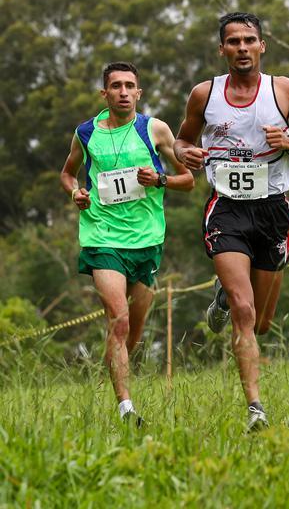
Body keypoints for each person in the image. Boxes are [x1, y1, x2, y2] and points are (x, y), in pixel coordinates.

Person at [174, 12, 289, 432]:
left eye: (249, 40)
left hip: (273, 208)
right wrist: (185, 153)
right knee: (244, 311)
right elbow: (184, 140)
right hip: (226, 209)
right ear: (221, 49)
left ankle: (222, 298)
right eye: (233, 41)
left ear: (262, 45)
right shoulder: (204, 94)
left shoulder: (285, 90)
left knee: (261, 321)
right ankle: (255, 407)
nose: (242, 47)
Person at [60, 61, 194, 424]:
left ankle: (116, 376)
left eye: (129, 85)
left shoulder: (155, 129)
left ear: (139, 92)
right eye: (115, 86)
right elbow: (68, 173)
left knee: (132, 330)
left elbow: (188, 180)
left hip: (146, 238)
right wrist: (76, 193)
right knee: (117, 320)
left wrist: (160, 179)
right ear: (104, 93)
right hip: (101, 235)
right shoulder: (86, 132)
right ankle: (126, 408)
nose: (123, 92)